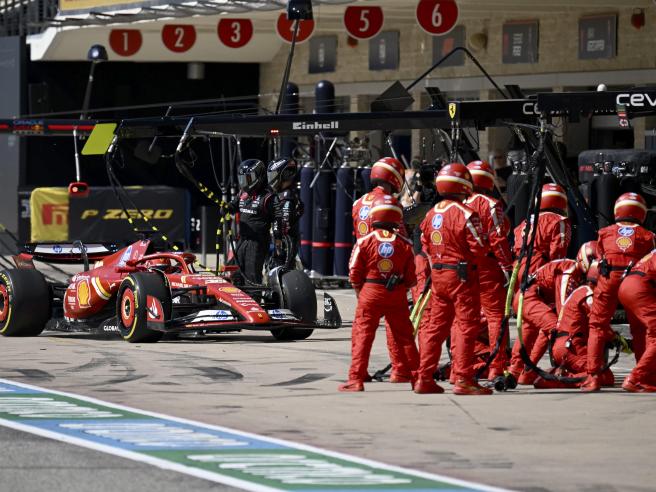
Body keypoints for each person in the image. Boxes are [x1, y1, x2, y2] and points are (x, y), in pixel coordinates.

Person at [416, 163, 492, 395]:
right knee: (466, 327)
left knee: (435, 329)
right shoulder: (467, 214)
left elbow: (425, 244)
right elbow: (480, 247)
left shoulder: (431, 213)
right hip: (462, 278)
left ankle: (424, 378)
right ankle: (464, 379)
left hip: (438, 277)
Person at [340, 196, 419, 392]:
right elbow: (411, 278)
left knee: (363, 336)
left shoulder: (364, 241)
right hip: (396, 293)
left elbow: (354, 273)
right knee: (405, 337)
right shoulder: (405, 243)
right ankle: (419, 378)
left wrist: (361, 292)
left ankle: (356, 379)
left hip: (370, 291)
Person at [581, 192, 656, 392]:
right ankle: (643, 376)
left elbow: (599, 258)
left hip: (608, 281)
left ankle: (593, 377)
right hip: (634, 282)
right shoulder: (648, 236)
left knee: (597, 326)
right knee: (640, 329)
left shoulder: (604, 233)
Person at [352, 156, 413, 383]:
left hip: (364, 271)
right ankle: (400, 370)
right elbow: (401, 239)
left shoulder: (358, 203)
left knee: (362, 327)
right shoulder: (390, 203)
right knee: (395, 325)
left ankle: (359, 372)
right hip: (388, 274)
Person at [508, 241, 596, 385]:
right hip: (530, 297)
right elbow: (564, 313)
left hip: (529, 297)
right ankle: (547, 367)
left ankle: (521, 371)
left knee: (540, 329)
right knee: (557, 328)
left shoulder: (571, 269)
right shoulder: (569, 273)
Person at [463, 160, 513, 385]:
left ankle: (462, 367)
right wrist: (507, 268)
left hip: (462, 268)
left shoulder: (458, 205)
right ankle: (496, 366)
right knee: (495, 317)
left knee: (464, 318)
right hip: (487, 266)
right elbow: (498, 239)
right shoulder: (491, 204)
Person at [532, 261, 615, 389]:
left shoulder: (580, 292)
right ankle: (559, 380)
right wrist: (615, 338)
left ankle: (560, 374)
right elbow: (599, 324)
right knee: (605, 376)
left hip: (566, 347)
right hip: (572, 348)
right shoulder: (588, 295)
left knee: (601, 371)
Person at [228, 159, 276, 284]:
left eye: (248, 179)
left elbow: (278, 219)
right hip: (242, 239)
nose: (245, 182)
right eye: (243, 179)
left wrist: (278, 240)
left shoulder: (268, 197)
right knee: (236, 273)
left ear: (259, 176)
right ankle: (237, 295)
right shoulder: (242, 194)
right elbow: (234, 205)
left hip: (257, 242)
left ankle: (254, 296)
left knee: (251, 275)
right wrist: (227, 207)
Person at [513, 183, 571, 283]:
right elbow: (558, 252)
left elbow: (515, 247)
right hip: (538, 267)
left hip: (517, 267)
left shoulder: (524, 222)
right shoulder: (559, 221)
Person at [619, 249, 656, 392]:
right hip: (640, 288)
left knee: (645, 334)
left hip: (628, 286)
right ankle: (635, 378)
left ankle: (646, 377)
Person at [267, 158, 303, 270]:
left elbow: (284, 224)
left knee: (280, 269)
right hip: (277, 241)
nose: (271, 179)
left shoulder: (287, 197)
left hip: (284, 244)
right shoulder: (278, 194)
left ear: (285, 175)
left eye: (273, 175)